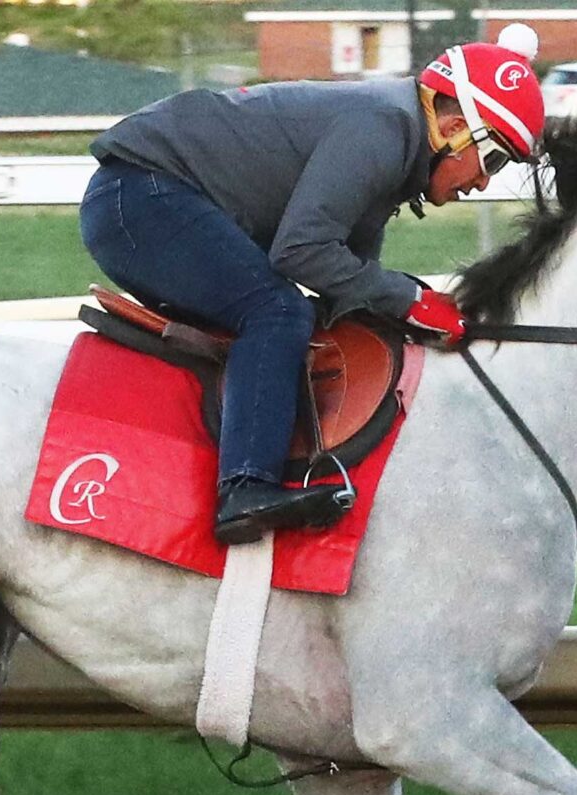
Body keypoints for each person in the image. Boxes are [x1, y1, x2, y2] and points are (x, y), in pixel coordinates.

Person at [80, 27, 549, 545]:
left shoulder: (396, 138)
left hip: (145, 193)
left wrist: (402, 308)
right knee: (276, 313)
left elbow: (349, 276)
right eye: (494, 161)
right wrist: (411, 300)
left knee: (290, 314)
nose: (483, 183)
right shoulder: (382, 129)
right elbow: (301, 252)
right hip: (140, 195)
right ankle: (244, 488)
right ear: (455, 127)